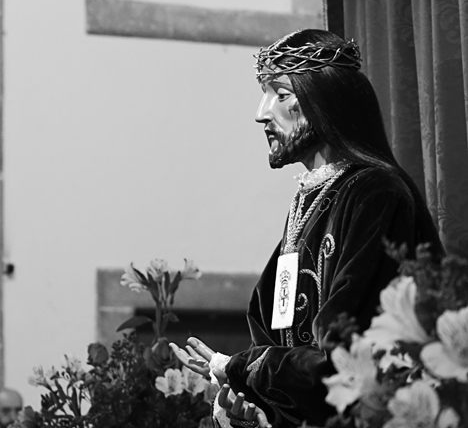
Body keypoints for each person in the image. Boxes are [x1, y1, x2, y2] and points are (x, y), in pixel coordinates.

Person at [170, 29, 442, 428]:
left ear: (323, 101)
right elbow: (278, 329)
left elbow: (347, 354)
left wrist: (242, 369)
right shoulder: (311, 199)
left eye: (281, 94)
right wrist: (255, 408)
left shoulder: (375, 193)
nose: (262, 113)